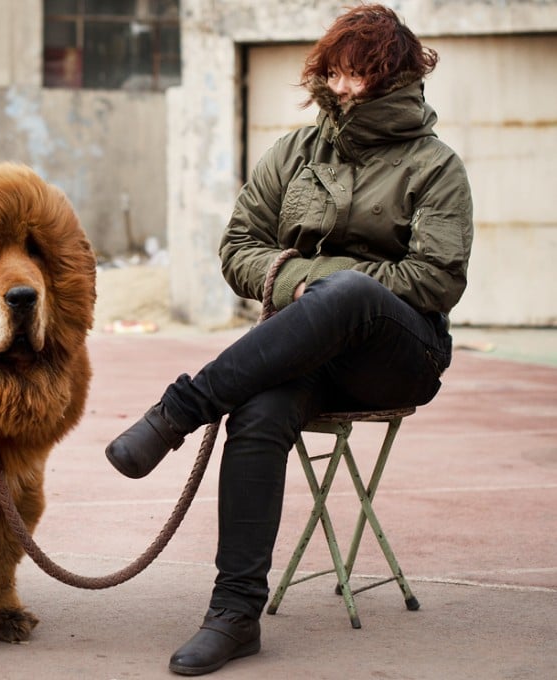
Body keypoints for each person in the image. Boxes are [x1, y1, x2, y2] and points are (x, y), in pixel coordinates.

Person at [105, 4, 473, 675]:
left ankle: (180, 410)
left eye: (359, 74)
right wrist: (305, 286)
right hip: (304, 351)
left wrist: (326, 283)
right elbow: (237, 248)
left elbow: (435, 279)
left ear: (396, 77)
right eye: (334, 72)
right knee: (259, 410)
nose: (342, 87)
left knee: (352, 293)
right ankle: (234, 615)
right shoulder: (294, 153)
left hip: (399, 355)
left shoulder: (434, 165)